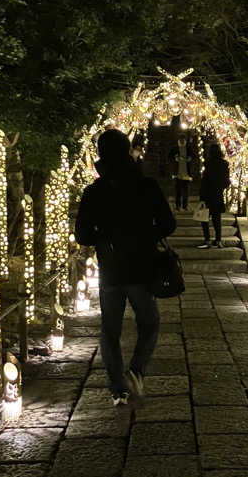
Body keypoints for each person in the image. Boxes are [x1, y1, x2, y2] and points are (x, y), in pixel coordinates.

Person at [75, 129, 176, 406]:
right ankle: (137, 369)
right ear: (128, 150)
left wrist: (104, 238)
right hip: (142, 268)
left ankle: (117, 388)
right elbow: (168, 224)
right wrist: (146, 235)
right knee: (149, 322)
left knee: (110, 329)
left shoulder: (94, 192)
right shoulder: (146, 186)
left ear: (101, 156)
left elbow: (82, 235)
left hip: (110, 270)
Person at [198, 142, 230, 248]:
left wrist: (201, 195)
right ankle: (218, 240)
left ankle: (207, 239)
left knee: (204, 219)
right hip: (218, 195)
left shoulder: (208, 163)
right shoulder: (224, 164)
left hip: (207, 195)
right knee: (217, 219)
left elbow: (204, 181)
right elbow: (226, 182)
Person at [168, 135, 193, 210]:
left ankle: (184, 206)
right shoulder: (175, 149)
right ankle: (178, 205)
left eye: (183, 140)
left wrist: (190, 158)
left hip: (186, 173)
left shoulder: (188, 149)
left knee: (185, 191)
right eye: (180, 140)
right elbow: (169, 157)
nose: (182, 141)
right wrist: (175, 158)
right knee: (177, 191)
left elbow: (193, 157)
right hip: (177, 173)